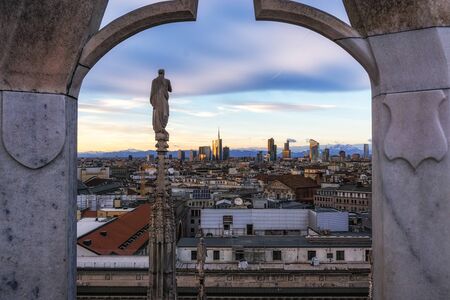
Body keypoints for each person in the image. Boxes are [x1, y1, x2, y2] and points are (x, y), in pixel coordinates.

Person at [150, 69, 172, 139]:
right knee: (165, 114)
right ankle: (162, 127)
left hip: (156, 101)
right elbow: (170, 90)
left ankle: (160, 128)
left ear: (158, 73)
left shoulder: (154, 81)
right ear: (164, 73)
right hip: (163, 101)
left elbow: (152, 93)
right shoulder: (167, 81)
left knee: (158, 115)